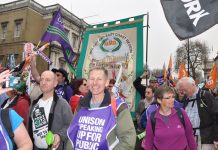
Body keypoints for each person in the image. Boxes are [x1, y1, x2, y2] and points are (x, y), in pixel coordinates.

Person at [68, 67, 136, 150]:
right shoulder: (81, 105)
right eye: (92, 79)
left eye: (99, 79)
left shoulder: (118, 106)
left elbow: (128, 140)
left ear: (106, 82)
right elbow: (72, 134)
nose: (95, 83)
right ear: (88, 81)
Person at [27, 70, 73, 150]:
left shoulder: (62, 104)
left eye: (48, 80)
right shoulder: (34, 104)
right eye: (42, 79)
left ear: (55, 83)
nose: (43, 82)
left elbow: (71, 125)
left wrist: (59, 136)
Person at [177, 77, 218, 149]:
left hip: (207, 139)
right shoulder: (185, 99)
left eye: (186, 90)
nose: (184, 93)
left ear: (193, 85)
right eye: (182, 91)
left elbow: (216, 117)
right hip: (190, 139)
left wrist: (216, 138)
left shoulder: (206, 96)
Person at [0, 69, 33, 149]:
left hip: (15, 138)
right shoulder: (6, 101)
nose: (3, 87)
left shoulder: (22, 102)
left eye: (5, 84)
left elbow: (23, 124)